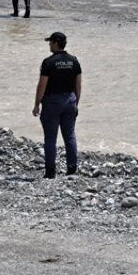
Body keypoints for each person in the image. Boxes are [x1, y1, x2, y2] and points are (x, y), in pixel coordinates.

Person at [32, 31, 82, 179]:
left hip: (52, 101)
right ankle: (72, 169)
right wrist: (76, 103)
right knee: (70, 135)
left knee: (50, 137)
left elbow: (42, 85)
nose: (49, 45)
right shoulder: (74, 61)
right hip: (70, 100)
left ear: (55, 43)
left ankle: (50, 171)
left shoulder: (48, 62)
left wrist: (36, 104)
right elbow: (78, 86)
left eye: (50, 42)